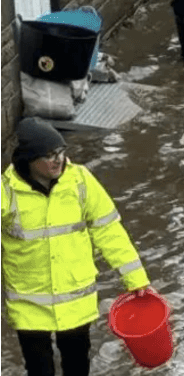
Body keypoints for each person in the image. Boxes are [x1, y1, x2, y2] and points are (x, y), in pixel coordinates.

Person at [2, 117, 154, 376]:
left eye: (61, 152)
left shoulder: (81, 181)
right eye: (49, 155)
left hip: (75, 302)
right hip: (30, 304)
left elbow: (109, 231)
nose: (58, 160)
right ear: (29, 158)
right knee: (39, 370)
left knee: (77, 368)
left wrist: (137, 279)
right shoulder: (7, 192)